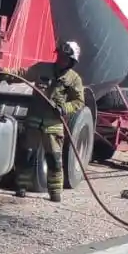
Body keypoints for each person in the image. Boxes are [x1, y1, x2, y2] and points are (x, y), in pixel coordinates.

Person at [17, 40, 85, 202]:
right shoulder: (42, 68)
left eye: (65, 57)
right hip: (34, 121)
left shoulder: (74, 79)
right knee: (26, 155)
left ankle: (55, 192)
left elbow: (79, 102)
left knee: (54, 160)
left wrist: (64, 108)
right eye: (60, 56)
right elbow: (22, 73)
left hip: (54, 125)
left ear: (72, 62)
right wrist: (4, 72)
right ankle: (21, 187)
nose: (61, 59)